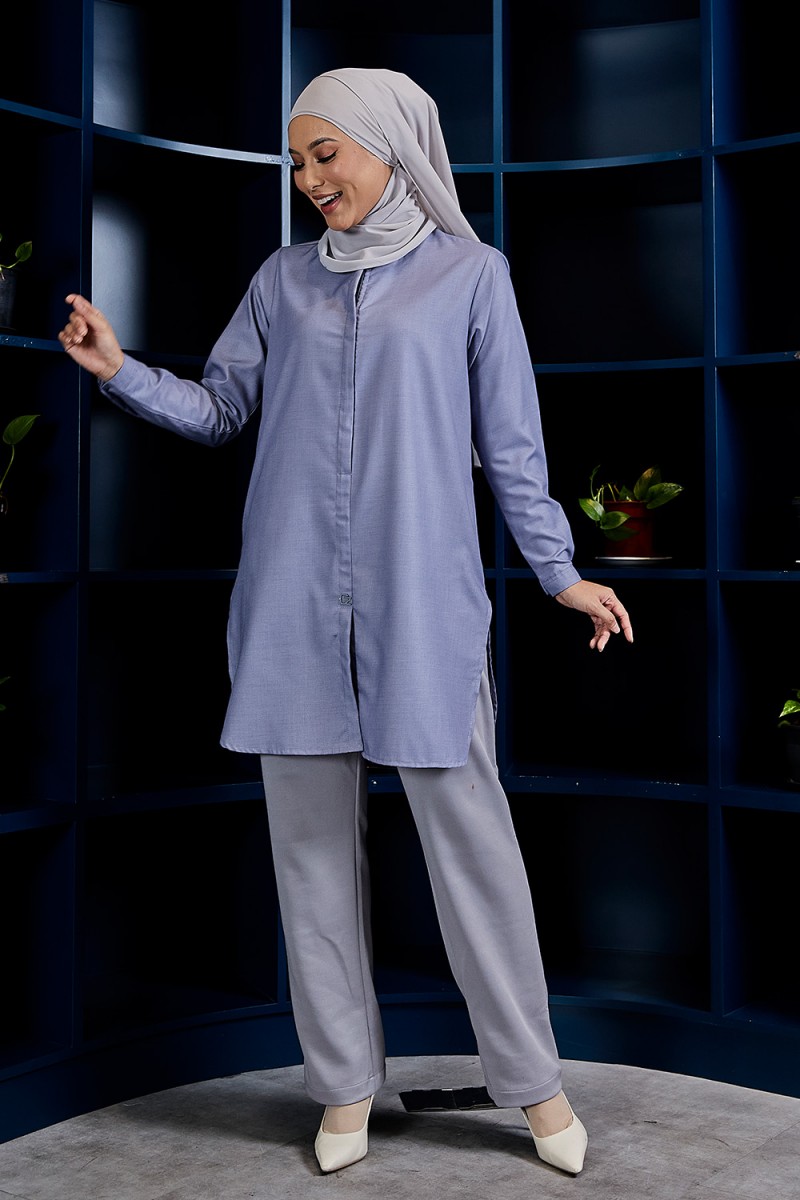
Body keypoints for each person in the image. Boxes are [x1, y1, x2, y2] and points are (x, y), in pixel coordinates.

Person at [59, 67, 633, 1177]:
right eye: (296, 161)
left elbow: (511, 448)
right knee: (311, 861)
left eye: (326, 153)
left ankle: (534, 1085)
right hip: (289, 608)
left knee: (473, 852)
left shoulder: (471, 276)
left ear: (390, 145)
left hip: (425, 608)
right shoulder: (281, 283)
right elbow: (220, 410)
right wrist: (119, 370)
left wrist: (558, 573)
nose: (309, 178)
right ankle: (342, 1089)